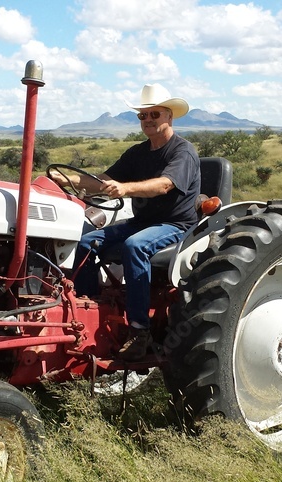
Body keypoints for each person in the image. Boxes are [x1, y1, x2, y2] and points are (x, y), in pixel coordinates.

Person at [52, 84, 201, 361]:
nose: (147, 120)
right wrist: (64, 180)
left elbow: (165, 185)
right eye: (142, 116)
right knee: (87, 241)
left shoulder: (183, 152)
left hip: (176, 225)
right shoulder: (137, 153)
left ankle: (139, 330)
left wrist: (126, 189)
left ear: (169, 116)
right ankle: (88, 307)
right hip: (143, 221)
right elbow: (101, 182)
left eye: (153, 114)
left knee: (135, 246)